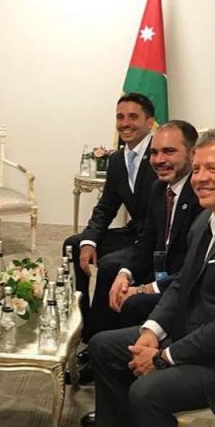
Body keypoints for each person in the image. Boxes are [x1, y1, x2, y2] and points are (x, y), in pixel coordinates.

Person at [83, 128, 215, 427]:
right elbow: (183, 283)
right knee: (103, 346)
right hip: (197, 336)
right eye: (197, 169)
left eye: (213, 169)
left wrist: (162, 357)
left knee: (147, 392)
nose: (200, 178)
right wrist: (151, 331)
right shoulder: (211, 216)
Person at [71, 120, 202, 388]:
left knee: (132, 302)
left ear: (192, 154)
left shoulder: (201, 196)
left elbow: (194, 269)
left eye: (169, 151)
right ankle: (99, 352)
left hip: (186, 286)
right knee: (114, 275)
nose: (159, 160)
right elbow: (146, 243)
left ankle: (124, 373)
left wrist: (144, 288)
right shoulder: (160, 188)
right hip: (163, 270)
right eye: (154, 152)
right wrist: (125, 274)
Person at [64, 92, 157, 352]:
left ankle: (97, 340)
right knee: (73, 245)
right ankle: (81, 322)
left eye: (133, 117)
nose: (125, 123)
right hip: (133, 232)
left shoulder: (159, 155)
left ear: (150, 122)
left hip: (156, 240)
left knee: (109, 266)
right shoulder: (117, 159)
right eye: (120, 117)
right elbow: (106, 207)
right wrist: (89, 240)